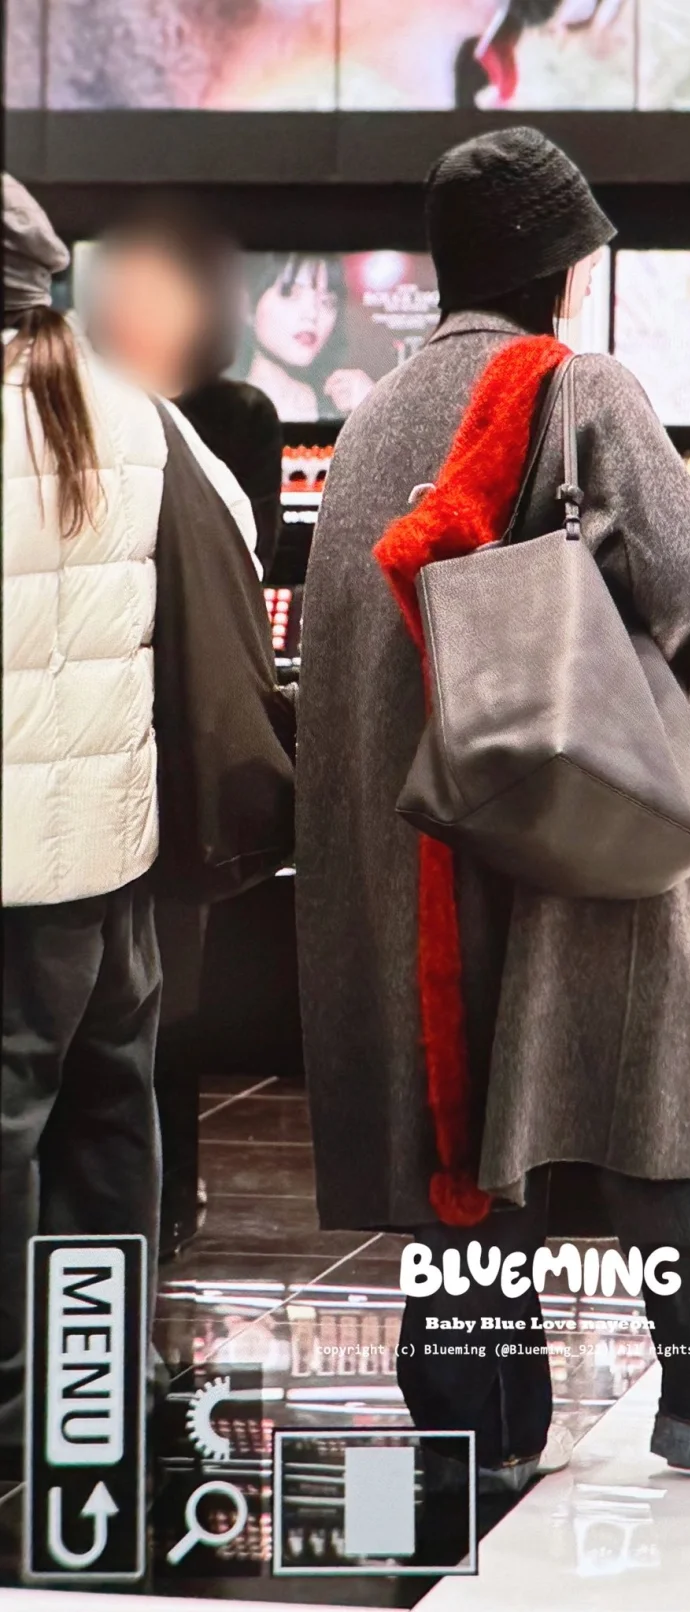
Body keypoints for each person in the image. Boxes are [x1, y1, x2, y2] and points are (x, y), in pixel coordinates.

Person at [295, 128, 690, 1487]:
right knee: (663, 1094)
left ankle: (477, 1420)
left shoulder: (372, 417)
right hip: (571, 830)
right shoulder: (585, 385)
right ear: (556, 266)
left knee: (465, 1128)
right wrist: (640, 713)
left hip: (417, 846)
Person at [1, 174, 259, 1476]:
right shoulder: (133, 409)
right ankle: (94, 1390)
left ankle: (8, 1408)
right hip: (116, 852)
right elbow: (236, 543)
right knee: (110, 1116)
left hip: (11, 869)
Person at [86, 213, 283, 575]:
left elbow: (251, 561)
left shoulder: (245, 415)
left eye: (160, 300)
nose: (142, 318)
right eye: (129, 297)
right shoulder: (79, 409)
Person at [232, 253, 376, 424]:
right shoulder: (216, 412)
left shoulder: (348, 408)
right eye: (290, 293)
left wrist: (375, 412)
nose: (312, 314)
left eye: (327, 302)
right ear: (246, 306)